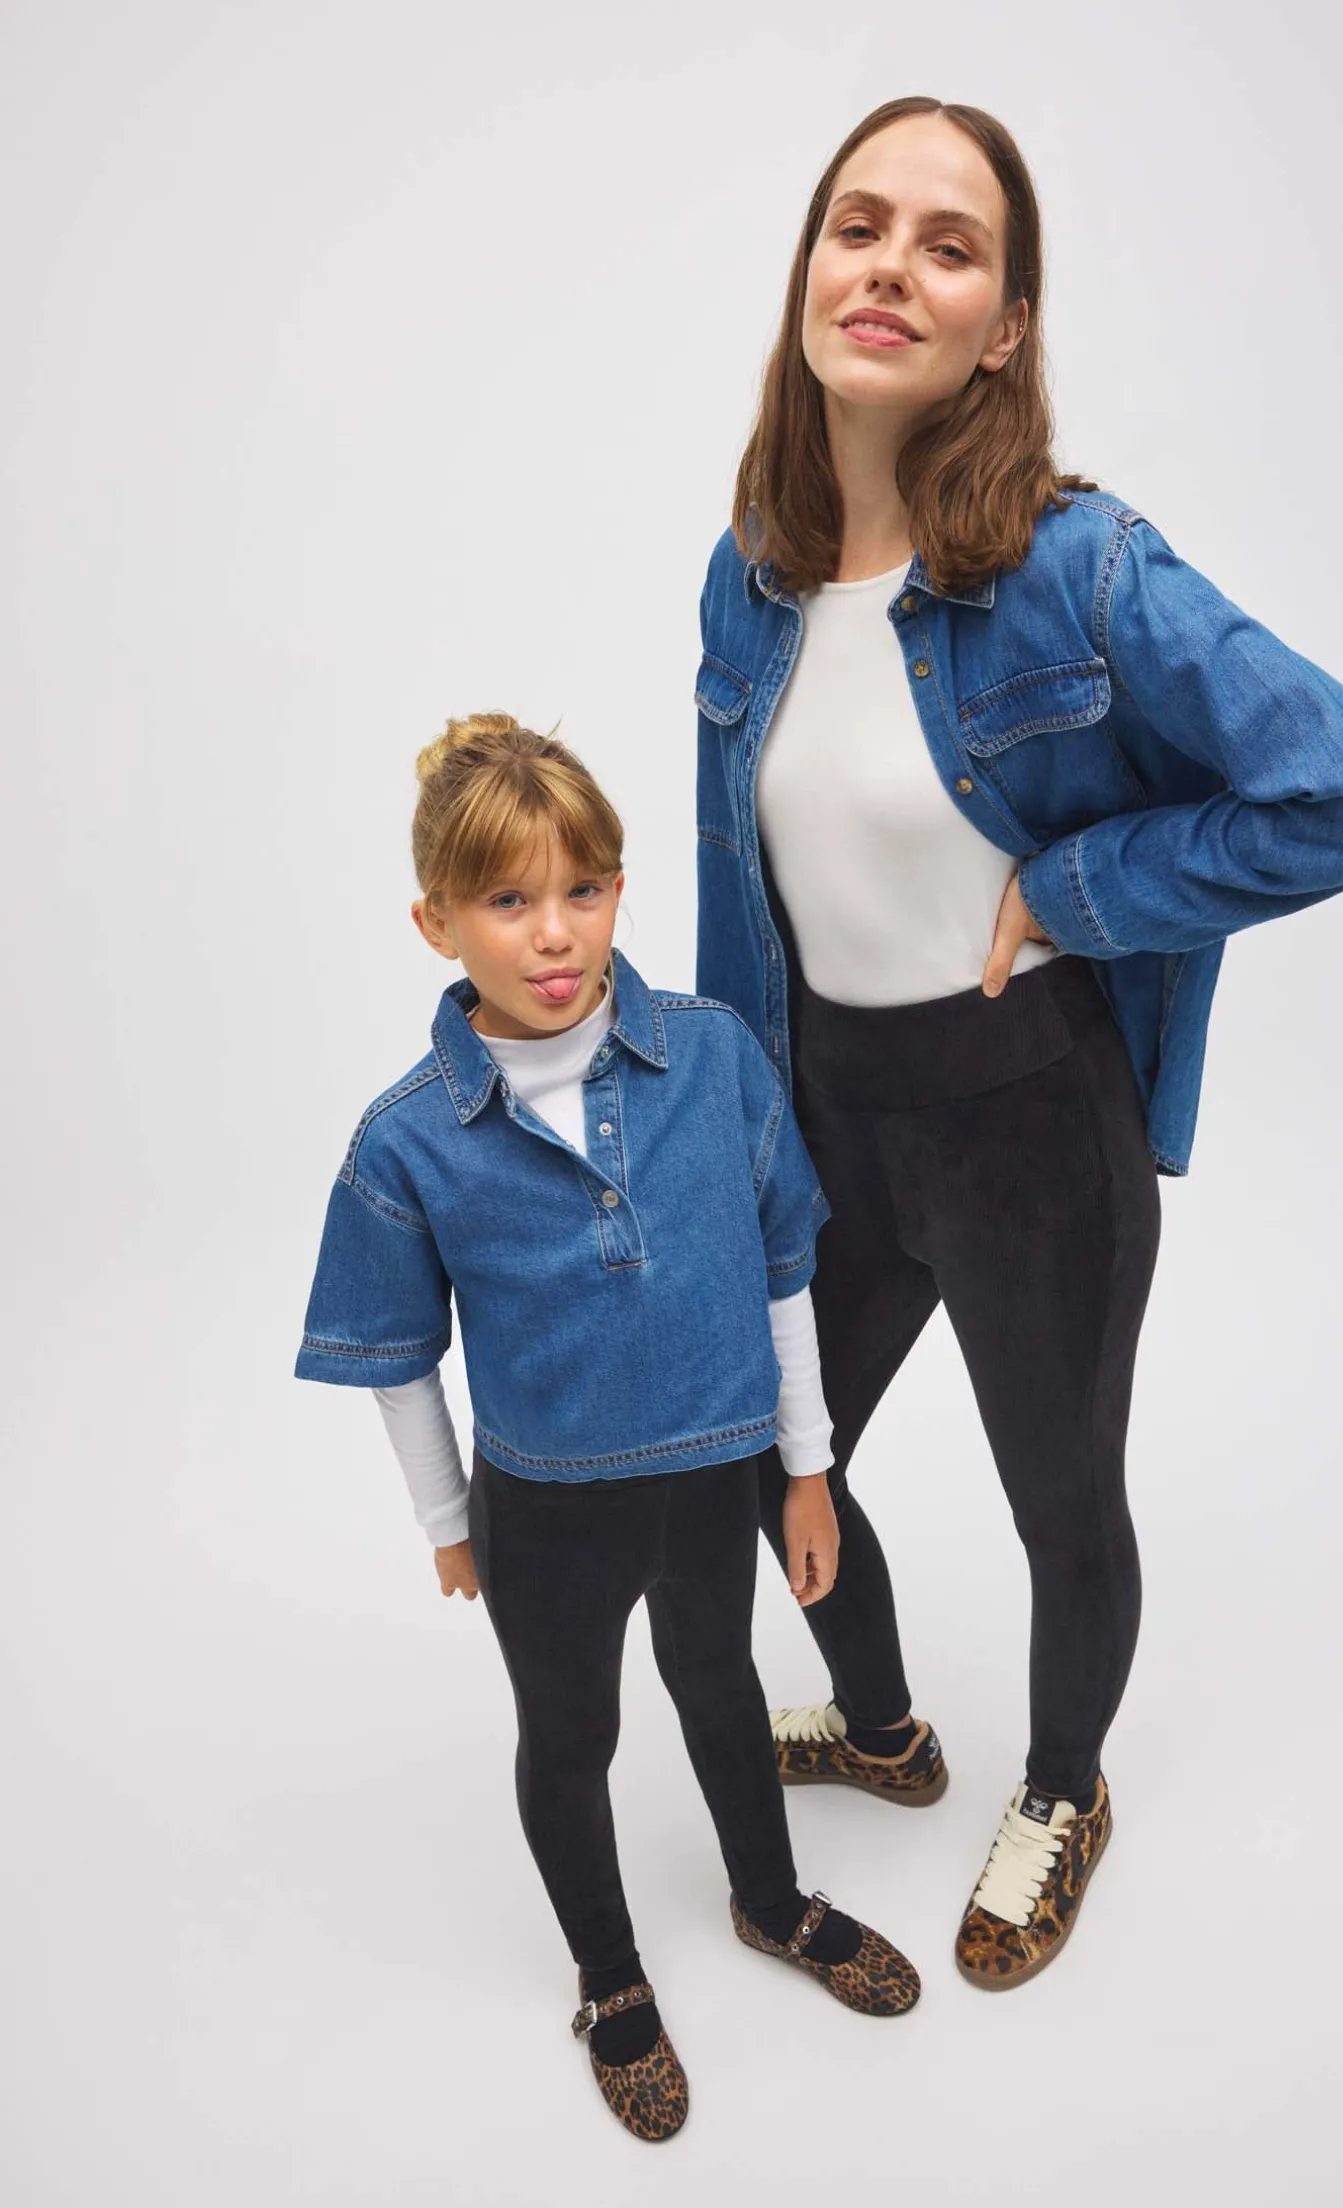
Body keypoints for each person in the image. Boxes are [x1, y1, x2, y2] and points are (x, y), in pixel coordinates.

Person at [693, 96, 1343, 1991]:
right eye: (859, 224)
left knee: (1059, 1501)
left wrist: (1087, 886)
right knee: (759, 1452)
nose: (891, 267)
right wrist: (721, 1129)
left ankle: (1062, 1786)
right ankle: (884, 1730)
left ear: (1005, 325)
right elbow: (738, 887)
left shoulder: (1074, 565)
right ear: (809, 266)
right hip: (827, 1120)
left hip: (1029, 1123)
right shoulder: (751, 574)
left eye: (949, 246)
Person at [295, 715, 919, 2142]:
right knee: (572, 1733)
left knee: (723, 1688)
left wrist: (808, 1472)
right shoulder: (407, 1138)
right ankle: (610, 1974)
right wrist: (448, 1524)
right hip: (546, 1512)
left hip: (711, 1481)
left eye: (583, 889)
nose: (554, 932)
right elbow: (400, 1359)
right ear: (436, 922)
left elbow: (784, 1267)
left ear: (620, 891)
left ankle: (772, 1901)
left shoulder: (712, 1058)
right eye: (508, 900)